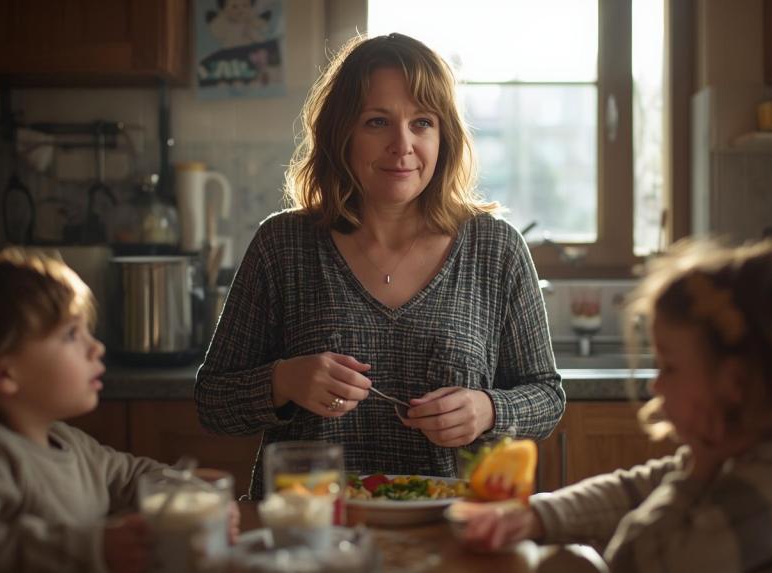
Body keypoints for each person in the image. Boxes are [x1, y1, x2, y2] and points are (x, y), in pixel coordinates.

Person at [195, 33, 565, 499]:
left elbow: (547, 397)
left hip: (449, 525)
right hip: (310, 527)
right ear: (342, 133)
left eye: (422, 123)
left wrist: (489, 410)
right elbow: (212, 403)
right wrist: (283, 381)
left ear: (444, 136)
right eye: (377, 122)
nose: (402, 144)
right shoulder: (283, 244)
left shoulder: (496, 248)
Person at [463, 239, 772, 571]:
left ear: (735, 383)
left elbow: (635, 562)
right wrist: (538, 516)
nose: (656, 384)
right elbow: (643, 486)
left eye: (669, 366)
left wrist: (700, 467)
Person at [0, 250, 238, 573]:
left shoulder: (69, 444)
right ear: (3, 374)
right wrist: (92, 548)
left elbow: (135, 477)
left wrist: (196, 495)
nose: (96, 347)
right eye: (71, 335)